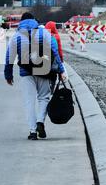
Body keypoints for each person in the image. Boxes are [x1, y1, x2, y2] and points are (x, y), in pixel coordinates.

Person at [4, 12, 66, 140]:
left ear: (21, 22)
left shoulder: (17, 36)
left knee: (29, 102)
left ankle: (32, 132)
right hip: (44, 71)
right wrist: (61, 70)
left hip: (26, 73)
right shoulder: (44, 33)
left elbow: (9, 57)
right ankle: (40, 122)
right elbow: (55, 52)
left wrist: (8, 75)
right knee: (43, 98)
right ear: (34, 20)